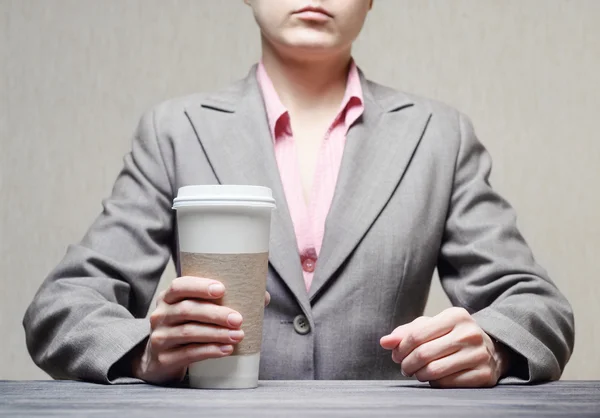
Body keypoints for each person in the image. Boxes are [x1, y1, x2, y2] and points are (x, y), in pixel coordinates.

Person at [23, 0, 574, 388]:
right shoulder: (175, 131)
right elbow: (61, 309)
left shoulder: (439, 136)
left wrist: (495, 346)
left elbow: (538, 305)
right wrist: (145, 350)